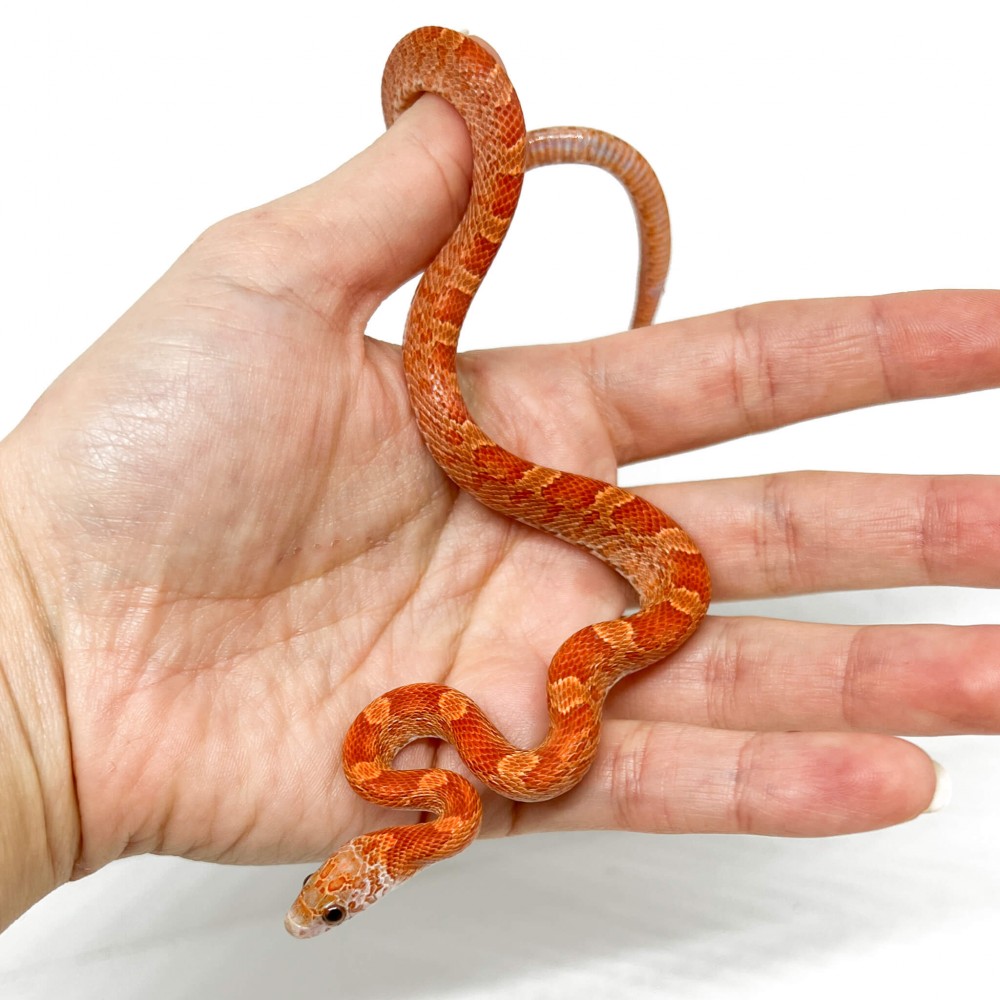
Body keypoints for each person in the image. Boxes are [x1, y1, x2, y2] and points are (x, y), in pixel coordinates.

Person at [1, 90, 996, 935]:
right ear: (383, 854)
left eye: (331, 900)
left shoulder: (405, 763)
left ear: (374, 855)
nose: (321, 904)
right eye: (335, 899)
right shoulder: (422, 770)